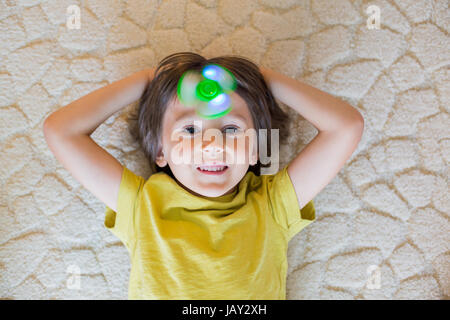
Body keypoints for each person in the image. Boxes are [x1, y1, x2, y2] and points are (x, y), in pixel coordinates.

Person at [43, 52, 364, 300]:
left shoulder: (272, 204)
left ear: (257, 149)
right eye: (190, 129)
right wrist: (147, 80)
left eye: (231, 128)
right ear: (160, 152)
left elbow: (345, 127)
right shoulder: (143, 205)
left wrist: (264, 81)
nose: (213, 144)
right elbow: (61, 131)